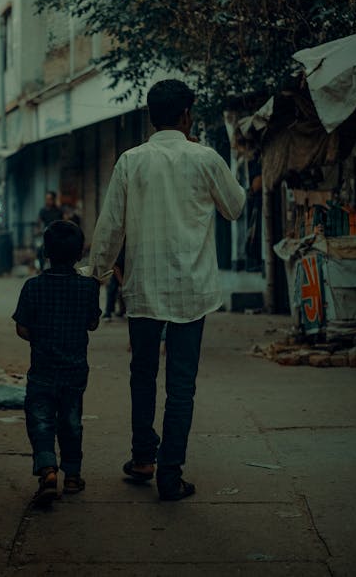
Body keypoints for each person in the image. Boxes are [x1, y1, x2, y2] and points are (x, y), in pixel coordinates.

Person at [89, 78, 246, 501]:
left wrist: (96, 272)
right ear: (186, 115)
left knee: (142, 374)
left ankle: (143, 457)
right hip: (193, 291)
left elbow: (110, 228)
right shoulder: (206, 158)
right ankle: (170, 475)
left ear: (150, 117)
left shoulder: (130, 161)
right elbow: (234, 207)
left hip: (144, 288)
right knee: (182, 384)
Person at [13, 220, 101, 505]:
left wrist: (41, 338)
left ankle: (48, 470)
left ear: (45, 253)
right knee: (71, 422)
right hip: (75, 371)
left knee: (40, 421)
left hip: (42, 370)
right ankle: (73, 476)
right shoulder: (88, 288)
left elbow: (22, 328)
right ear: (79, 255)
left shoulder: (32, 287)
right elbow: (92, 323)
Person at [35, 191, 62, 270]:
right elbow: (38, 222)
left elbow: (64, 221)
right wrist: (38, 230)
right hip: (47, 234)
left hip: (58, 236)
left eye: (50, 199)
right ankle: (41, 269)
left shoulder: (58, 211)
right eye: (47, 199)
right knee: (41, 251)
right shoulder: (43, 211)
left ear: (53, 200)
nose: (48, 201)